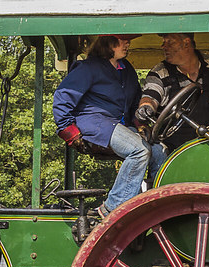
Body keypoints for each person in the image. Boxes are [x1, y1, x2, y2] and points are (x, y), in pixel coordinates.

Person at [53, 35, 151, 217]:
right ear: (108, 43)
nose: (128, 43)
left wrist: (140, 123)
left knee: (159, 151)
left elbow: (135, 101)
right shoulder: (88, 68)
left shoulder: (127, 69)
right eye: (123, 40)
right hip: (94, 124)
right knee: (139, 150)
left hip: (119, 125)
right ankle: (112, 208)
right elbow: (62, 98)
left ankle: (153, 205)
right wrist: (69, 132)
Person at [136, 33, 209, 167]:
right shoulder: (160, 72)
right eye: (163, 42)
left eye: (169, 42)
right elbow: (150, 96)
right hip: (174, 152)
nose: (163, 46)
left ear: (186, 43)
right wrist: (146, 107)